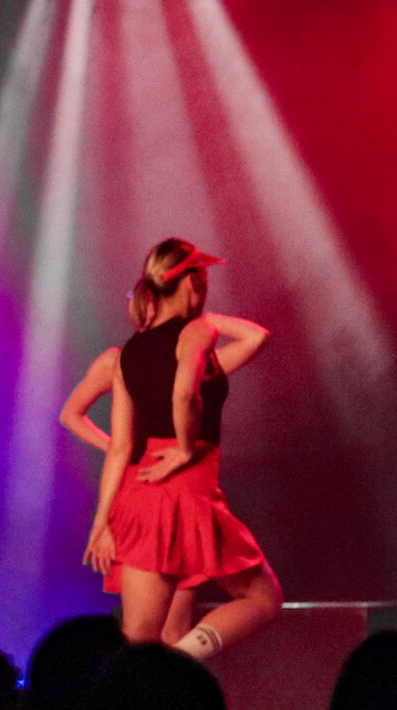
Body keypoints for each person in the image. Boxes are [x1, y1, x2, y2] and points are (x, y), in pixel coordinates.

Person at [81, 240, 279, 660]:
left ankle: (163, 676)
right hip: (184, 486)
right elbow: (185, 392)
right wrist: (186, 448)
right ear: (191, 282)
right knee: (263, 598)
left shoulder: (129, 353)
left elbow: (120, 447)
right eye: (202, 279)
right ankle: (179, 667)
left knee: (140, 637)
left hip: (141, 493)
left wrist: (102, 520)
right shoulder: (196, 332)